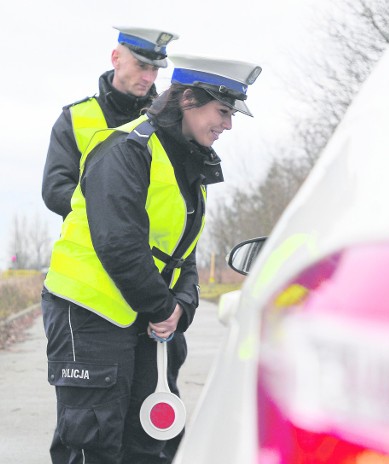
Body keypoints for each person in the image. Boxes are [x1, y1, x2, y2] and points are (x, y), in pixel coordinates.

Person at [41, 55, 262, 463]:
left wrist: (183, 305)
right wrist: (163, 308)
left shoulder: (191, 162)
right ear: (190, 100)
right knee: (94, 443)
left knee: (152, 440)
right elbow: (118, 241)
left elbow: (184, 252)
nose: (228, 125)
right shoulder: (126, 149)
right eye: (224, 111)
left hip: (147, 317)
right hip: (90, 313)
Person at [42, 26, 179, 219]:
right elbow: (55, 189)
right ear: (116, 59)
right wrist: (109, 213)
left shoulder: (169, 121)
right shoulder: (74, 118)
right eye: (141, 66)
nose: (148, 77)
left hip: (150, 247)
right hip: (88, 246)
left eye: (155, 68)